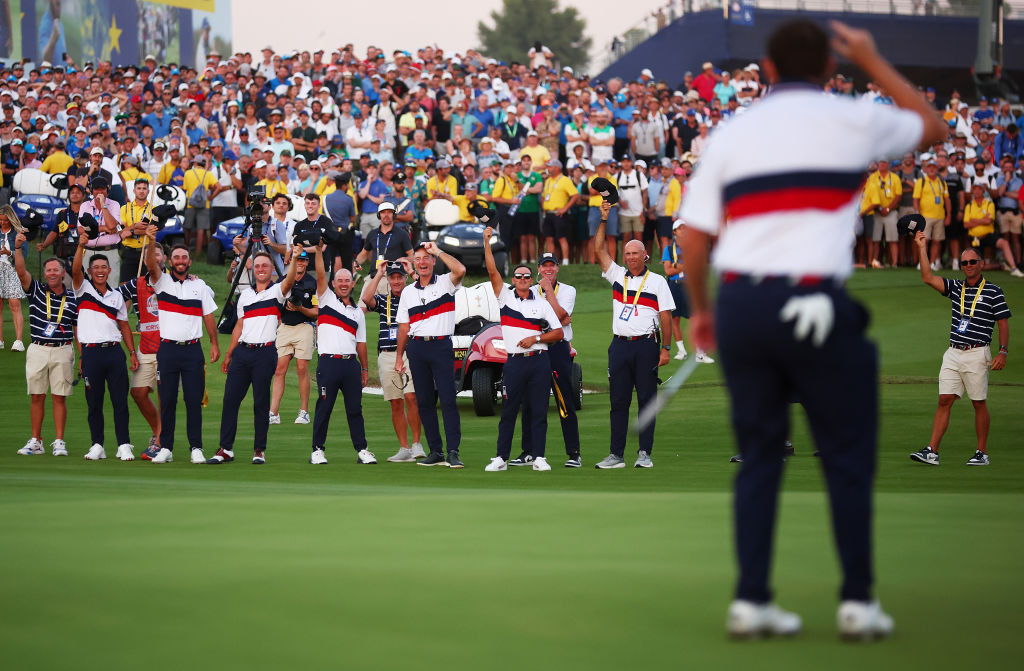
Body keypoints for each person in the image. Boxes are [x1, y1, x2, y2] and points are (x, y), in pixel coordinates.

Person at [680, 20, 946, 638]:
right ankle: (856, 601)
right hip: (816, 300)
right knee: (847, 457)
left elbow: (694, 239)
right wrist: (874, 62)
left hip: (744, 303)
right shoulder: (853, 117)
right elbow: (935, 129)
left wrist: (702, 309)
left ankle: (751, 600)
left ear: (767, 71)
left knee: (760, 459)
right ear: (830, 69)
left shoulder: (732, 132)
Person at [911, 233, 1012, 467]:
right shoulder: (957, 288)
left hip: (978, 352)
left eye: (972, 262)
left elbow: (1003, 322)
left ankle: (982, 452)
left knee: (978, 402)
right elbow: (928, 277)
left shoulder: (994, 291)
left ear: (981, 264)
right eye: (964, 262)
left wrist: (1003, 351)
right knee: (944, 399)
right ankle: (932, 451)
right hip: (953, 352)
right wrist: (922, 248)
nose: (968, 266)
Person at [592, 200, 674, 470]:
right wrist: (604, 219)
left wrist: (665, 349)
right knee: (618, 402)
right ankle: (616, 455)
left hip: (646, 347)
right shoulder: (617, 275)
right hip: (619, 347)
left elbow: (666, 316)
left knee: (646, 402)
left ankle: (644, 454)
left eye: (635, 254)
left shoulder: (657, 281)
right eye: (627, 254)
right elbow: (599, 249)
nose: (630, 258)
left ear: (644, 256)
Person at [481, 229, 564, 472]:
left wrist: (536, 337)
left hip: (539, 360)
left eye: (527, 276)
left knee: (539, 410)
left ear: (532, 279)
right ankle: (501, 457)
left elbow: (558, 332)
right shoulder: (505, 296)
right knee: (508, 410)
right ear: (514, 279)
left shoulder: (542, 303)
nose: (523, 279)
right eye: (518, 276)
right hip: (515, 362)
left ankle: (539, 456)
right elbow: (492, 270)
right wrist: (486, 242)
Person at [210, 249, 300, 465]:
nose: (261, 269)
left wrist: (294, 258)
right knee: (230, 400)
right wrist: (229, 354)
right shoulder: (245, 296)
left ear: (271, 270)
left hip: (265, 352)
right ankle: (226, 449)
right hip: (242, 352)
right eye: (257, 266)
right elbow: (239, 326)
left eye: (265, 266)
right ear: (252, 269)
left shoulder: (278, 290)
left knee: (261, 402)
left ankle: (259, 450)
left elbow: (289, 281)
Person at [142, 234, 221, 464]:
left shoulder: (200, 286)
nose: (180, 260)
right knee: (167, 400)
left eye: (184, 257)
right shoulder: (161, 280)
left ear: (190, 262)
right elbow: (150, 264)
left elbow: (208, 316)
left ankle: (196, 447)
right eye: (176, 257)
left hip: (193, 350)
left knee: (193, 400)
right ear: (169, 260)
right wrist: (150, 239)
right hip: (167, 350)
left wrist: (214, 343)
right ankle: (166, 447)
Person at [393, 242, 467, 468]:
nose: (423, 262)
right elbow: (404, 328)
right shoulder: (407, 292)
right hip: (417, 348)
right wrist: (398, 357)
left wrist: (438, 251)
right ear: (414, 263)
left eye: (427, 258)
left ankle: (453, 451)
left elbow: (461, 270)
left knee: (447, 400)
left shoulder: (446, 281)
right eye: (419, 258)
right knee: (425, 402)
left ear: (433, 261)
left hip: (441, 346)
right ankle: (436, 451)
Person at [71, 226, 139, 461]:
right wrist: (81, 245)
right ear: (90, 271)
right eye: (96, 268)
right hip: (91, 354)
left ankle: (124, 445)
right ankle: (97, 444)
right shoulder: (82, 289)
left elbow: (124, 326)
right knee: (94, 402)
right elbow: (75, 269)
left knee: (120, 401)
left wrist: (131, 352)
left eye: (103, 268)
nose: (100, 271)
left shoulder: (117, 295)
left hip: (114, 353)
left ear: (109, 270)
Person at [12, 237, 77, 457]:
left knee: (59, 396)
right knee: (37, 395)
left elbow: (77, 329)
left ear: (62, 273)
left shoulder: (72, 298)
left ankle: (59, 441)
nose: (50, 273)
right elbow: (21, 272)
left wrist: (82, 354)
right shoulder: (36, 290)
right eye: (48, 270)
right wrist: (18, 247)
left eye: (55, 270)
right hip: (38, 348)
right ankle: (36, 440)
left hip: (62, 349)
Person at [308, 244, 372, 466]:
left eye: (348, 281)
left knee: (355, 409)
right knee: (324, 407)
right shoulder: (326, 299)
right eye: (340, 281)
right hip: (328, 364)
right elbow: (319, 274)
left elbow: (361, 344)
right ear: (333, 284)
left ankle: (362, 449)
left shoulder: (357, 313)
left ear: (353, 284)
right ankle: (317, 450)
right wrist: (318, 252)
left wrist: (364, 369)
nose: (344, 284)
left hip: (350, 365)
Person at [520, 252, 582, 467]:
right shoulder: (528, 291)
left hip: (557, 349)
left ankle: (574, 453)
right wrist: (558, 317)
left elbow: (561, 315)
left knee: (564, 399)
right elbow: (555, 318)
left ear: (557, 268)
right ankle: (528, 452)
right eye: (544, 266)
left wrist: (548, 291)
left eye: (552, 266)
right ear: (538, 268)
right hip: (537, 347)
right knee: (529, 401)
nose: (548, 269)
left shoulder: (567, 290)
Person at [359, 260, 425, 462]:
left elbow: (427, 291)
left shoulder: (414, 296)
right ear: (389, 279)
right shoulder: (382, 299)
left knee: (412, 397)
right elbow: (365, 298)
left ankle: (416, 445)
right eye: (393, 277)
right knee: (395, 403)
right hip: (386, 354)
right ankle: (404, 448)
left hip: (408, 352)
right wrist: (378, 274)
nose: (396, 281)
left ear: (404, 278)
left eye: (399, 277)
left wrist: (412, 271)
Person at [117, 245, 166, 459]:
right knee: (138, 392)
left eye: (157, 253)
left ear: (164, 258)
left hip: (169, 348)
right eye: (149, 254)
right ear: (144, 259)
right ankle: (159, 433)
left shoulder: (176, 281)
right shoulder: (134, 284)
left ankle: (160, 441)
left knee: (166, 395)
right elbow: (111, 298)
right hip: (145, 347)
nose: (153, 257)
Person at [269, 248, 318, 425]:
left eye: (303, 261)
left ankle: (304, 411)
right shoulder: (283, 281)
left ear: (306, 263)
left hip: (304, 327)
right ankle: (273, 412)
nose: (300, 263)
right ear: (292, 262)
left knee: (301, 368)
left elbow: (316, 312)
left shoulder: (312, 283)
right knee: (279, 369)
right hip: (285, 327)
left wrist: (300, 309)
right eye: (298, 260)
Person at [661, 219, 713, 363]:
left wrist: (679, 265)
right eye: (680, 229)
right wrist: (684, 266)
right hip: (675, 285)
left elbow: (697, 266)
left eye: (685, 228)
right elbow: (668, 270)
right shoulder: (669, 249)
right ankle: (681, 350)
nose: (683, 231)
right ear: (675, 232)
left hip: (688, 285)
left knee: (694, 317)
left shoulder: (693, 246)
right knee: (675, 318)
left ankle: (700, 353)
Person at [540, 159, 579, 264]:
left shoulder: (565, 180)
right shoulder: (548, 180)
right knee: (549, 238)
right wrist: (544, 207)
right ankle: (551, 260)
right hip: (548, 213)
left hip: (559, 213)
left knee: (562, 237)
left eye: (550, 166)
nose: (548, 169)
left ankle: (565, 260)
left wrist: (565, 208)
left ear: (557, 168)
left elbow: (575, 195)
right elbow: (544, 196)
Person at [354, 201, 414, 271]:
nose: (386, 215)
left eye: (389, 212)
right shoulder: (372, 234)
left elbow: (412, 256)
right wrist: (356, 263)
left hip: (394, 275)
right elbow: (363, 254)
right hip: (374, 275)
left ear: (394, 215)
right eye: (383, 212)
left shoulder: (402, 234)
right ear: (379, 215)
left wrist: (404, 259)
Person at [182, 155, 220, 255]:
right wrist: (211, 198)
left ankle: (185, 250)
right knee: (201, 229)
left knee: (187, 228)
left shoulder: (188, 173)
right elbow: (218, 187)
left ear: (195, 163)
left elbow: (185, 188)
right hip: (204, 204)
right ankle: (198, 254)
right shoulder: (208, 174)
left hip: (191, 204)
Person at [0, 204, 26, 351]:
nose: (3, 222)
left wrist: (8, 253)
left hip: (11, 270)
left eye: (5, 220)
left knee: (14, 304)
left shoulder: (18, 232)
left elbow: (24, 255)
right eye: (1, 220)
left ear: (11, 219)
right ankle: (0, 340)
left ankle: (19, 341)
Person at [118, 177, 155, 278]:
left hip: (146, 251)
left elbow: (151, 230)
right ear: (134, 190)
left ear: (148, 191)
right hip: (128, 251)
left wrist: (132, 231)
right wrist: (135, 227)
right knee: (126, 285)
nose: (141, 191)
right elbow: (120, 232)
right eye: (139, 188)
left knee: (146, 287)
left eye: (144, 188)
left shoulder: (153, 209)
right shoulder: (124, 208)